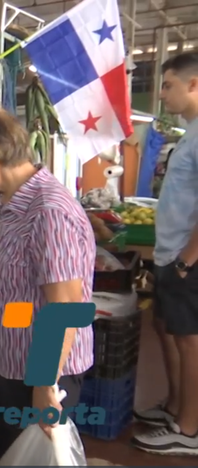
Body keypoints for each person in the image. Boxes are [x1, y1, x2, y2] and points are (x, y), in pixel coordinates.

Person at [0, 107, 95, 460]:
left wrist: (44, 385)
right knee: (12, 455)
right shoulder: (9, 202)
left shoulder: (48, 211)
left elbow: (64, 306)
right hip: (12, 365)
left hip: (41, 373)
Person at [132, 51, 198, 455]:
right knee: (170, 331)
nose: (161, 93)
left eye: (168, 84)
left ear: (194, 84)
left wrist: (187, 260)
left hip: (186, 258)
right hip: (172, 253)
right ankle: (175, 408)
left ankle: (189, 431)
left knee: (190, 341)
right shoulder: (190, 133)